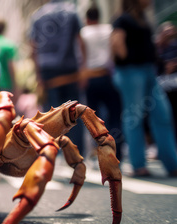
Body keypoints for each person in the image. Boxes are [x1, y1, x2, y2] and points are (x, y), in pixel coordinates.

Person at [111, 0, 177, 177]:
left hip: (148, 71)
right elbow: (117, 43)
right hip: (131, 72)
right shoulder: (123, 19)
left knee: (162, 114)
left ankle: (172, 163)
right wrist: (130, 58)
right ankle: (138, 164)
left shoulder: (141, 18)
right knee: (134, 117)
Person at [29, 0, 86, 155]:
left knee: (52, 115)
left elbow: (33, 47)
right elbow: (80, 41)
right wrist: (83, 70)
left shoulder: (37, 16)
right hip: (70, 69)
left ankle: (54, 152)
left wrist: (38, 75)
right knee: (73, 113)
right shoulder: (72, 11)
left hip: (47, 71)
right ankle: (77, 153)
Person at [80, 5, 124, 160]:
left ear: (87, 19)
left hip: (90, 78)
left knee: (93, 118)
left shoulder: (83, 32)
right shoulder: (109, 29)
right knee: (115, 115)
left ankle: (99, 152)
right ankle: (117, 152)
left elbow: (81, 56)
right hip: (108, 76)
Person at [0, 19, 19, 97]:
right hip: (6, 84)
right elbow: (11, 67)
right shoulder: (9, 44)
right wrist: (15, 86)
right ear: (4, 28)